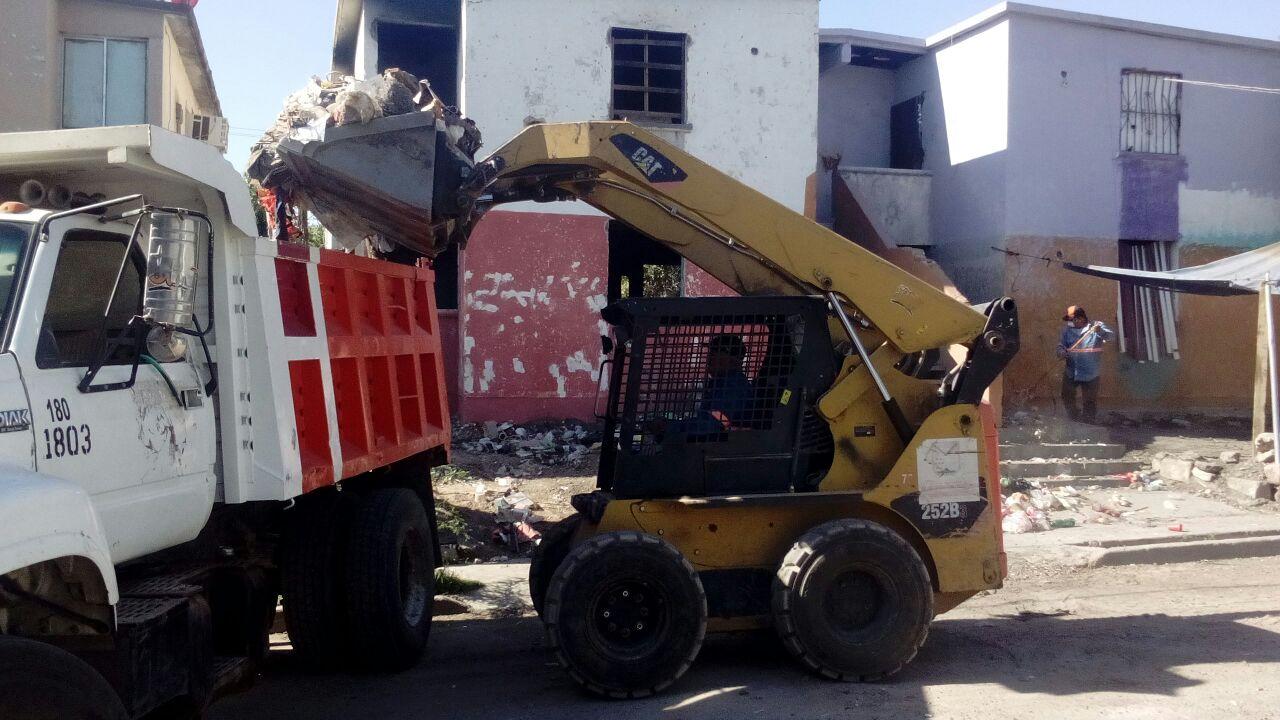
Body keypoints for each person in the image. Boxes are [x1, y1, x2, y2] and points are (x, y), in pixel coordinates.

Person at [1056, 305, 1114, 423]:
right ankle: (1074, 417)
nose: (1070, 323)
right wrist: (1061, 352)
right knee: (1066, 394)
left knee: (1089, 400)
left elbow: (1111, 337)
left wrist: (1101, 331)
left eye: (1072, 320)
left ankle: (1088, 421)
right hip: (1071, 371)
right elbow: (1061, 345)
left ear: (1080, 318)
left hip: (1091, 372)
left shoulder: (1095, 326)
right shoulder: (1066, 331)